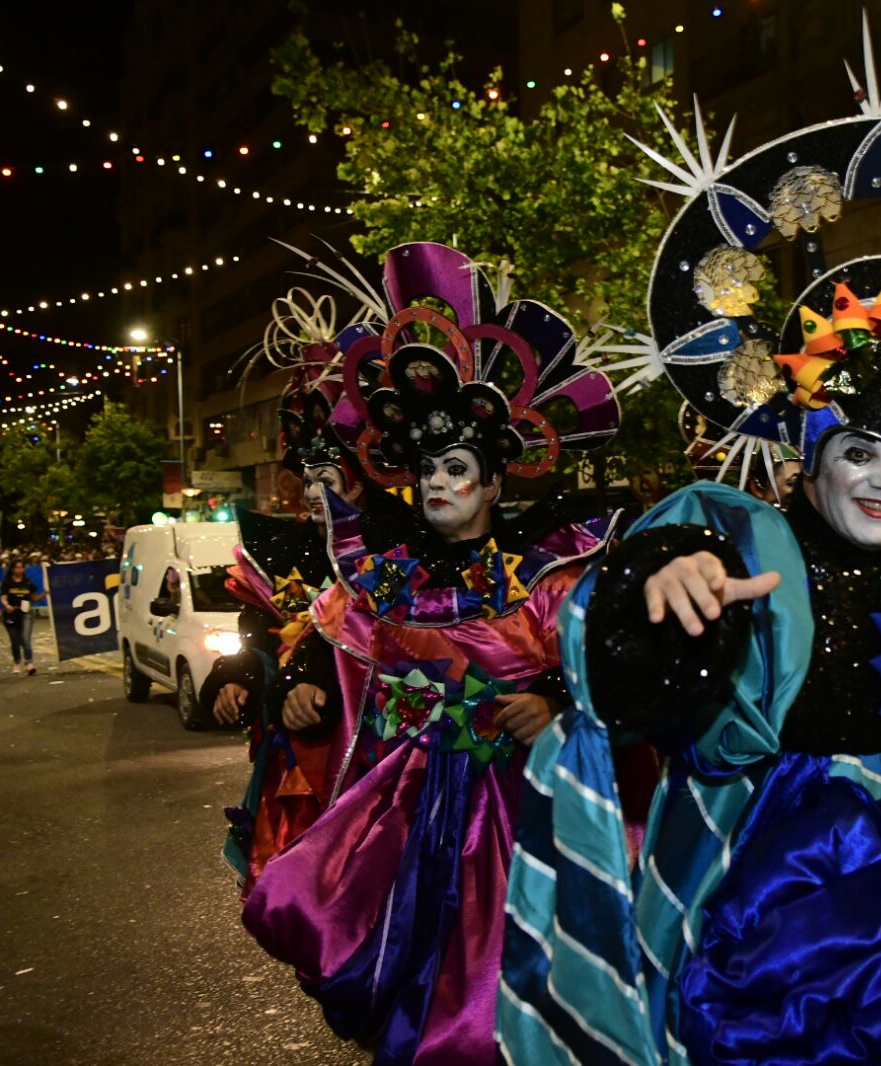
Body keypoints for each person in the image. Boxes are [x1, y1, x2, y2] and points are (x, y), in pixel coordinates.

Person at [499, 32, 881, 1056]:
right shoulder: (743, 536)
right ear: (805, 457)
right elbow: (623, 665)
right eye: (861, 453)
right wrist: (669, 573)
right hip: (766, 855)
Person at [239, 241, 628, 1063]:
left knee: (508, 986)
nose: (440, 483)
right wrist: (299, 688)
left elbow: (608, 667)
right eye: (427, 469)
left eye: (458, 467)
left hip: (521, 814)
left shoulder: (547, 574)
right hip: (406, 818)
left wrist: (557, 699)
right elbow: (331, 645)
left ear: (494, 481)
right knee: (402, 971)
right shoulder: (385, 579)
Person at [201, 302, 378, 897]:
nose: (314, 491)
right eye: (307, 478)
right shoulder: (286, 551)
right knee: (303, 895)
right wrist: (236, 679)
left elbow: (379, 641)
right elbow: (259, 633)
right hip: (291, 758)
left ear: (359, 479)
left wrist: (319, 679)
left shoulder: (393, 554)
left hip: (370, 757)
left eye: (329, 476)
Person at [0, 558, 38, 676]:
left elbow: (33, 597)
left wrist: (45, 594)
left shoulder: (28, 582)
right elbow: (3, 597)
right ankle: (17, 662)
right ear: (12, 569)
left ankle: (30, 663)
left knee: (25, 638)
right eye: (17, 567)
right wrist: (7, 605)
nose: (20, 569)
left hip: (26, 613)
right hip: (11, 614)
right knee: (15, 640)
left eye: (22, 567)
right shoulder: (7, 582)